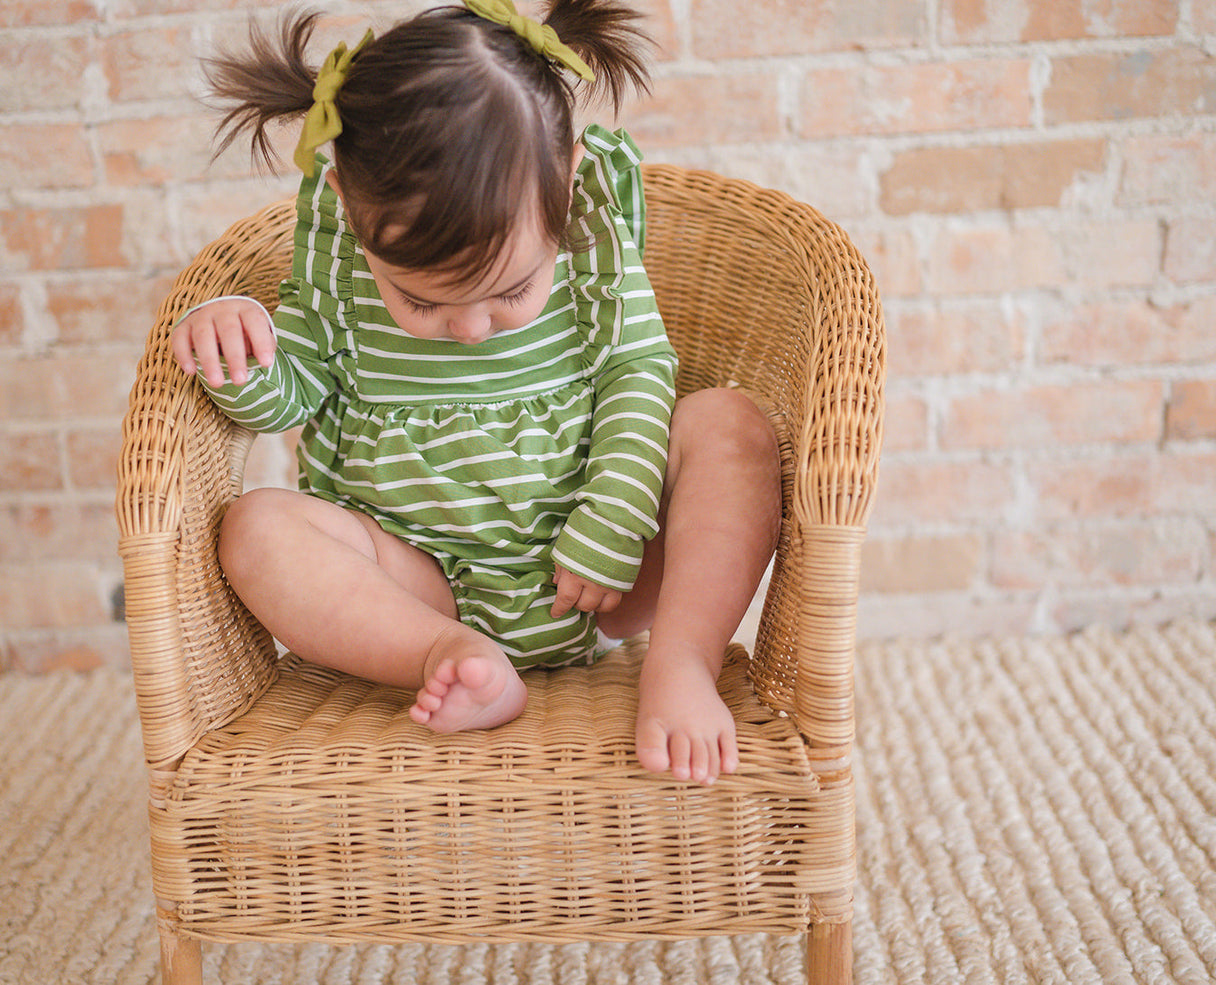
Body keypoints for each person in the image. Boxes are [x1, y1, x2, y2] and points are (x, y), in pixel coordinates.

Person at [170, 0, 780, 785]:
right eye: (421, 302)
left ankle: (682, 662)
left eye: (509, 292)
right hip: (420, 582)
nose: (468, 328)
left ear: (560, 186)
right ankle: (448, 657)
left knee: (728, 425)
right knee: (256, 526)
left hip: (600, 574)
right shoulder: (340, 260)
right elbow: (295, 396)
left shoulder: (587, 228)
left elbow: (637, 374)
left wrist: (617, 512)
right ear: (356, 220)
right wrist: (241, 353)